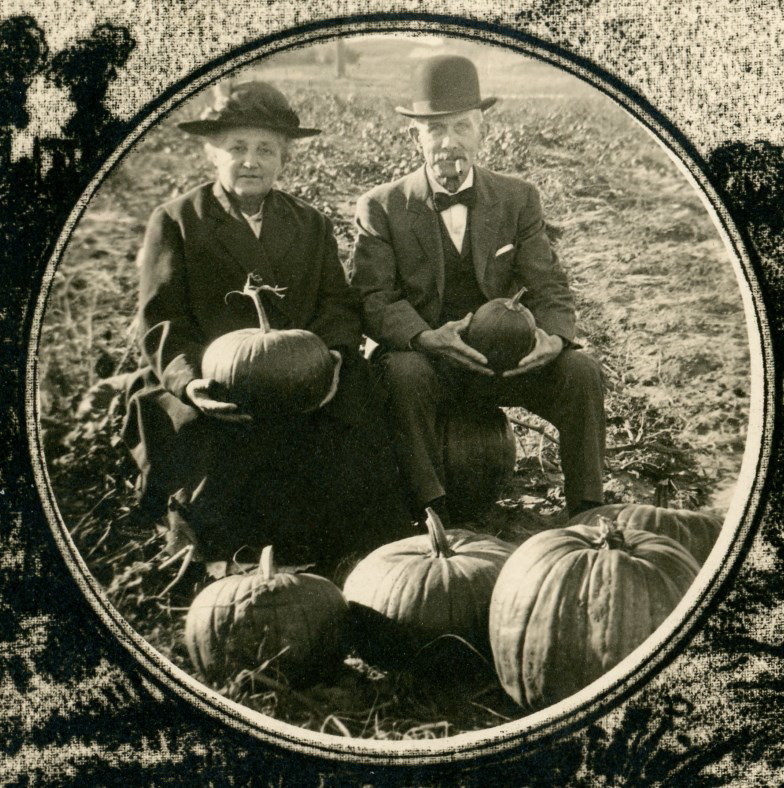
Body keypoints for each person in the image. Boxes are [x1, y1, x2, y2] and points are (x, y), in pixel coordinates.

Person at [122, 80, 412, 570]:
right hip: (211, 378)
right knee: (195, 432)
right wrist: (189, 383)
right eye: (237, 148)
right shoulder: (176, 221)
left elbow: (336, 304)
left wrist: (334, 359)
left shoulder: (310, 223)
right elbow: (161, 320)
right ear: (213, 154)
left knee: (357, 400)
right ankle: (220, 552)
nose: (250, 161)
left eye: (266, 149)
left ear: (284, 160)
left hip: (298, 377)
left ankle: (352, 547)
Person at [350, 55, 606, 524]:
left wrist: (553, 337)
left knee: (581, 370)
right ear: (416, 136)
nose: (449, 143)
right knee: (402, 373)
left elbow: (548, 282)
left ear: (481, 129)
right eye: (436, 129)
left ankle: (588, 510)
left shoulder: (517, 197)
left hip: (508, 359)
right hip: (430, 363)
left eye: (462, 127)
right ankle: (433, 514)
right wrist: (426, 338)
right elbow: (373, 298)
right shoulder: (382, 207)